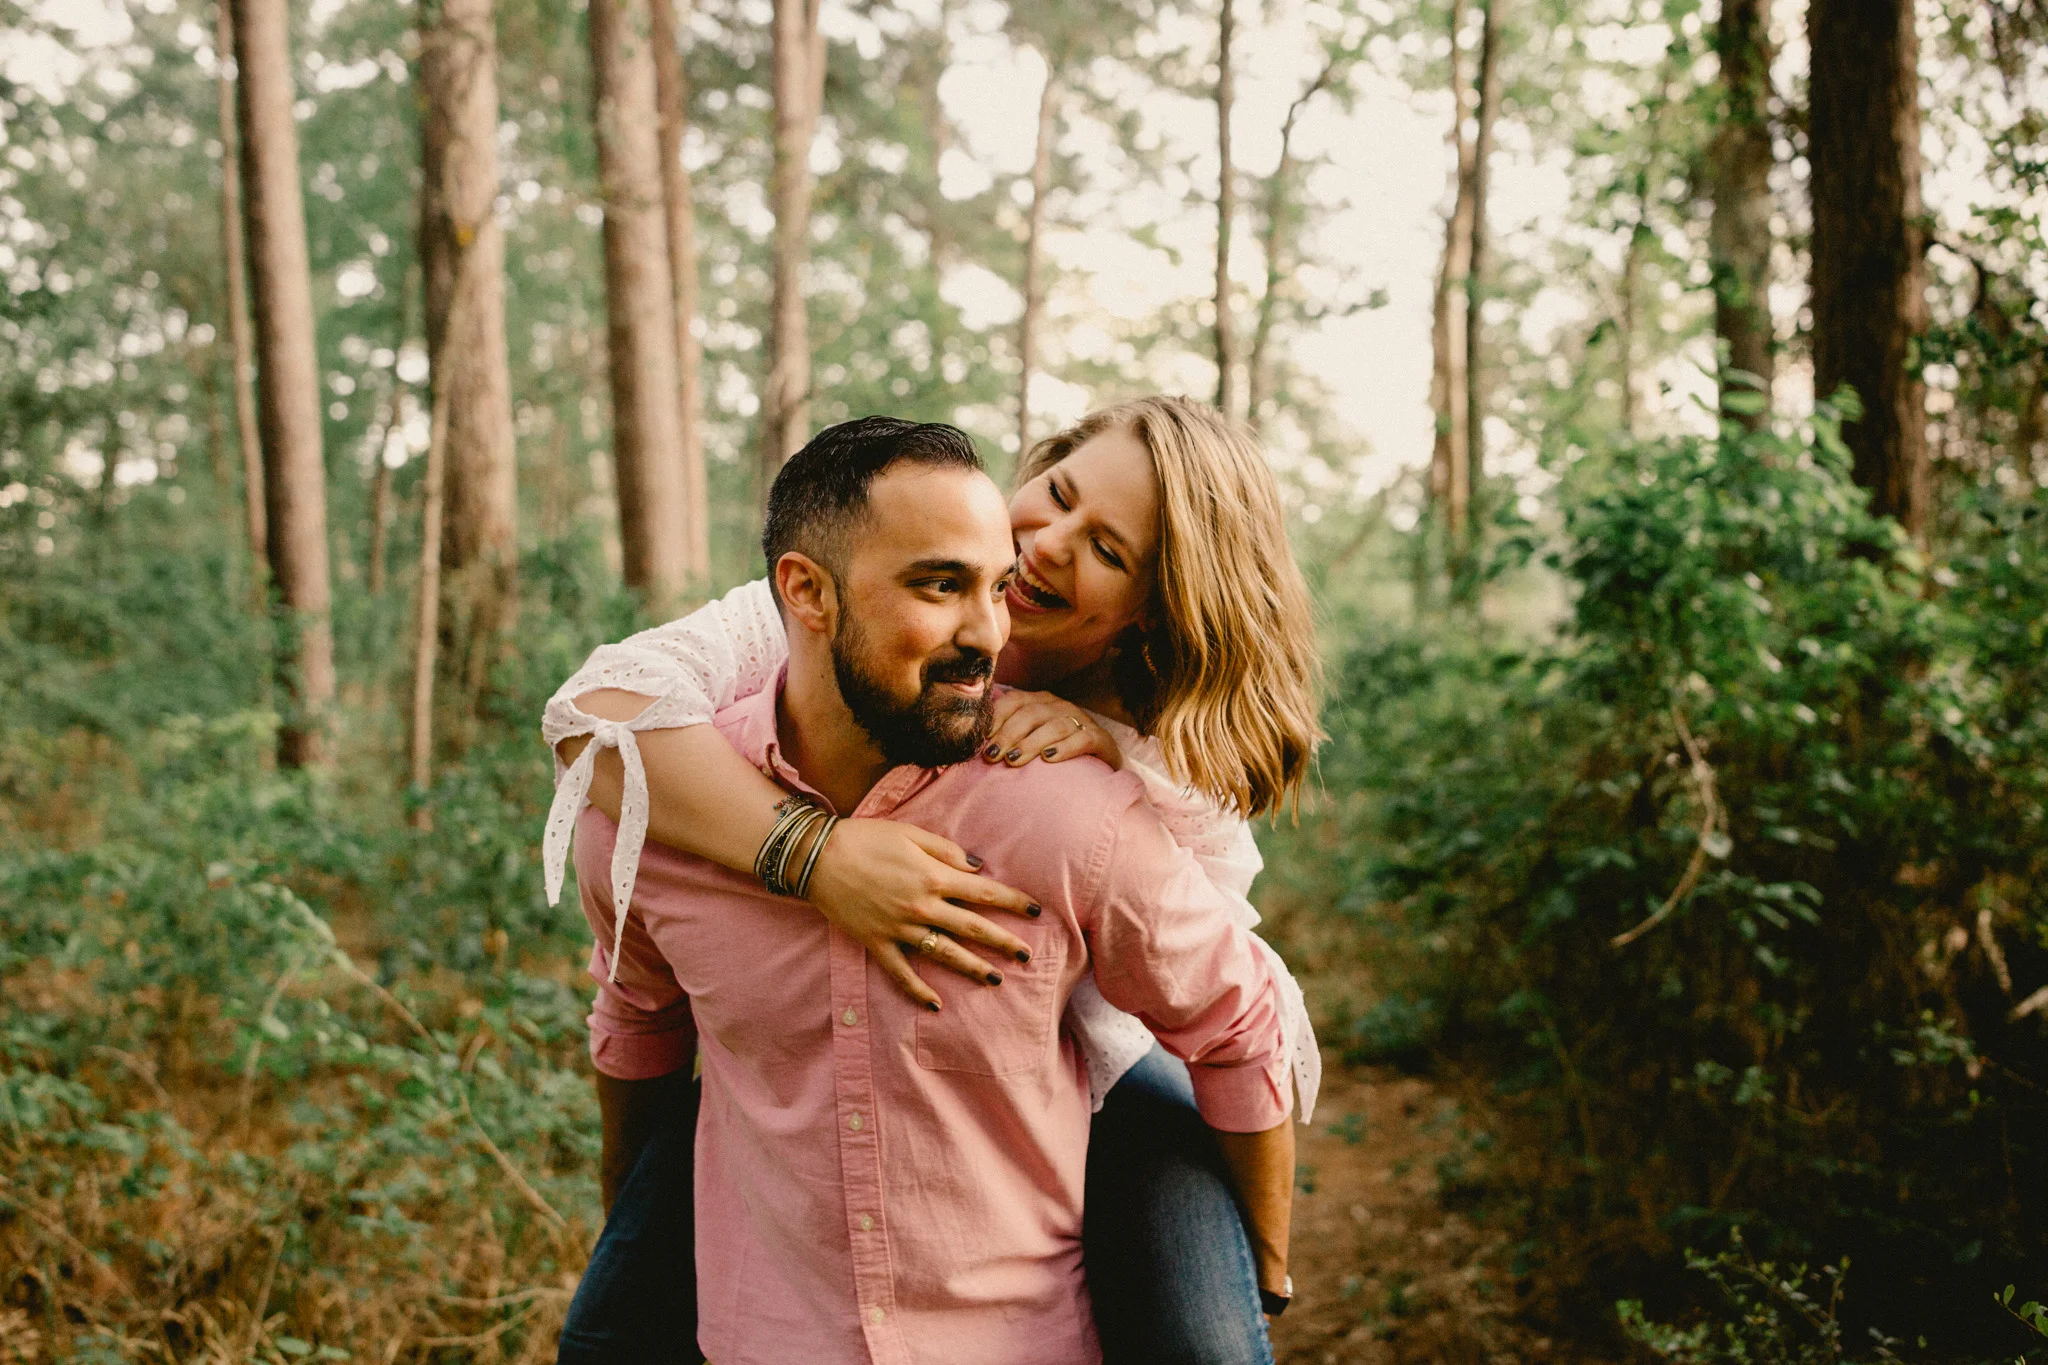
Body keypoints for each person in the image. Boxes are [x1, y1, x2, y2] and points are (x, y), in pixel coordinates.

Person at [546, 397, 1324, 1363]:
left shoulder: (1147, 753)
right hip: (817, 1062)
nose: (1047, 547)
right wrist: (815, 853)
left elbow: (1228, 1000)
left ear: (1149, 610)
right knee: (615, 1321)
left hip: (1118, 1050)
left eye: (1110, 551)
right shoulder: (820, 604)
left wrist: (1118, 753)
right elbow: (592, 716)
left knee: (1203, 1330)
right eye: (1058, 495)